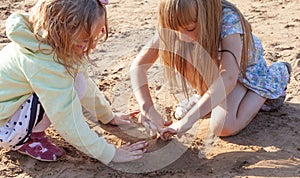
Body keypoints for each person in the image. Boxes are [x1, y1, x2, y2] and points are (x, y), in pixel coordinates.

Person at [0, 0, 147, 163]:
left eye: (95, 36)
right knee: (63, 91)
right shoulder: (44, 66)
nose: (93, 45)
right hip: (4, 124)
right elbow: (66, 119)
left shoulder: (43, 39)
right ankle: (26, 139)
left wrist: (107, 116)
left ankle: (27, 129)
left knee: (77, 81)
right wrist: (109, 153)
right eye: (85, 40)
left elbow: (83, 83)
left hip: (10, 104)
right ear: (61, 31)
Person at [130, 0, 291, 140]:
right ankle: (204, 97)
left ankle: (273, 80)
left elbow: (228, 77)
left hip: (243, 73)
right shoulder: (178, 22)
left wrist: (187, 122)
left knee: (223, 126)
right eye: (175, 30)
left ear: (207, 13)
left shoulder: (229, 21)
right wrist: (147, 108)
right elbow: (138, 66)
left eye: (190, 28)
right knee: (176, 50)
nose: (182, 36)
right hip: (217, 73)